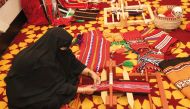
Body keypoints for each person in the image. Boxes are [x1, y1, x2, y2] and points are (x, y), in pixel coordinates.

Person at [5, 27, 101, 109]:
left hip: (41, 78)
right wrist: (83, 90)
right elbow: (57, 87)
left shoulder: (53, 47)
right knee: (54, 100)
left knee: (68, 79)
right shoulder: (43, 61)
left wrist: (91, 73)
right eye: (64, 48)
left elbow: (72, 62)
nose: (67, 50)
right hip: (24, 91)